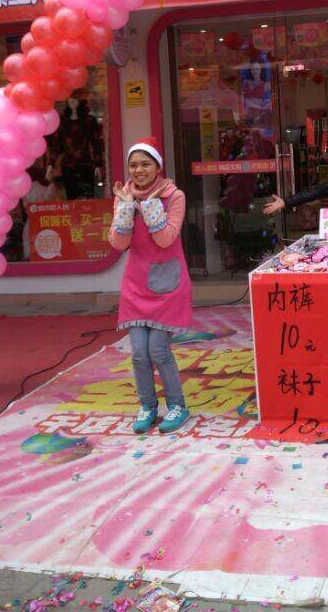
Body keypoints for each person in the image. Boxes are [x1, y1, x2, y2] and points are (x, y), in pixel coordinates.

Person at [109, 137, 193, 435]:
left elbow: (165, 239)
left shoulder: (175, 196)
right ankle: (147, 406)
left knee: (158, 350)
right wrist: (125, 209)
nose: (139, 170)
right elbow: (118, 243)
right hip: (136, 284)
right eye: (133, 165)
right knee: (139, 353)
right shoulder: (124, 196)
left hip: (168, 283)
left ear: (158, 166)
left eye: (145, 164)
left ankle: (178, 406)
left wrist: (149, 207)